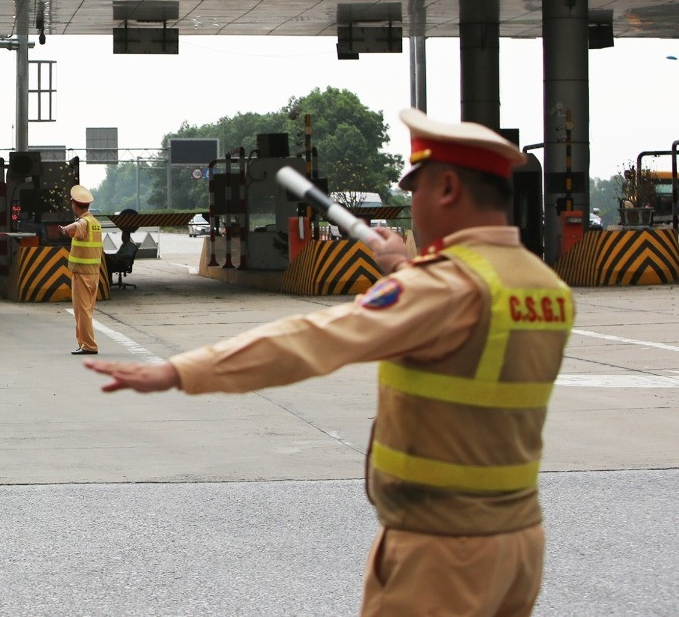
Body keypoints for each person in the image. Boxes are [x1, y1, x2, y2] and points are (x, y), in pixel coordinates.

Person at [84, 108, 574, 616]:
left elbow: (314, 340)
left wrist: (182, 369)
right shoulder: (545, 289)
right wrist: (407, 270)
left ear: (447, 188)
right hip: (517, 541)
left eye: (417, 192)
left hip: (443, 550)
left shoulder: (441, 289)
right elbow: (468, 343)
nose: (414, 205)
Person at [60, 184, 102, 355]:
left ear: (75, 205)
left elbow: (75, 227)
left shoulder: (83, 222)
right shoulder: (95, 223)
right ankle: (85, 343)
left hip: (82, 275)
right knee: (87, 310)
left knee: (82, 311)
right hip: (93, 274)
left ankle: (89, 345)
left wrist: (64, 229)